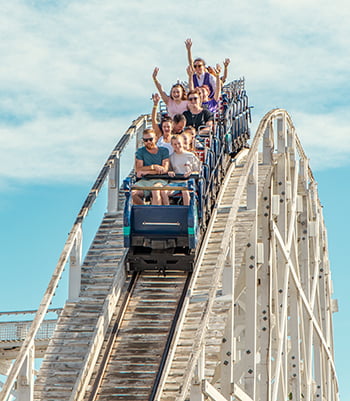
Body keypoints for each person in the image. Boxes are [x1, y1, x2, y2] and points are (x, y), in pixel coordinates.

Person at [132, 129, 169, 205]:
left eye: (150, 139)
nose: (148, 142)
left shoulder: (164, 151)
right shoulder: (140, 152)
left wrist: (147, 172)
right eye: (145, 140)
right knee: (132, 193)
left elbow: (164, 169)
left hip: (160, 180)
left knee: (155, 190)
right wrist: (153, 167)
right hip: (145, 181)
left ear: (155, 138)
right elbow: (138, 169)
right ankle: (145, 210)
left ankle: (156, 214)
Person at [166, 135, 201, 206]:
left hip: (188, 182)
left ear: (182, 143)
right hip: (175, 182)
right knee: (164, 191)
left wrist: (191, 173)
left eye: (179, 143)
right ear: (172, 145)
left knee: (185, 191)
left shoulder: (191, 156)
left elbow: (198, 170)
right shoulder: (171, 157)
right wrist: (170, 172)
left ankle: (187, 211)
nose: (177, 146)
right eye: (175, 144)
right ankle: (167, 210)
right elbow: (169, 170)